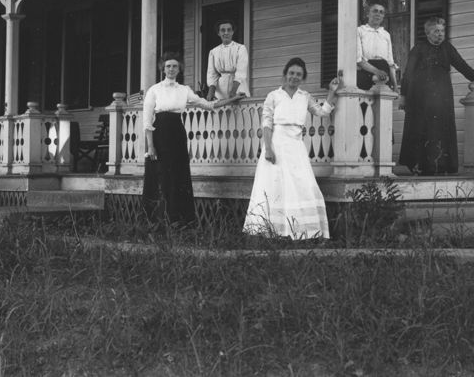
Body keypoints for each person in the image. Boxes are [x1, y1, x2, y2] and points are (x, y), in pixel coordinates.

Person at [243, 59, 341, 239]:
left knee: (301, 185)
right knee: (275, 186)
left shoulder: (305, 96)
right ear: (285, 74)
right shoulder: (274, 95)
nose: (294, 77)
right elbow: (266, 123)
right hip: (277, 143)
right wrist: (268, 149)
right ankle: (272, 230)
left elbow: (322, 112)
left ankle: (301, 230)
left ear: (302, 78)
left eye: (298, 74)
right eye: (291, 73)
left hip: (296, 145)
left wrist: (331, 92)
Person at [142, 53, 235, 226]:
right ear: (163, 68)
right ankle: (157, 220)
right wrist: (150, 146)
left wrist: (231, 100)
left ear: (179, 69)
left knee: (178, 174)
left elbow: (206, 104)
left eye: (175, 66)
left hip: (177, 133)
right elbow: (147, 121)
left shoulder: (184, 90)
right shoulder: (154, 89)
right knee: (161, 174)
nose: (171, 69)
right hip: (160, 134)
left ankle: (179, 219)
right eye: (168, 66)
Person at [396, 17, 474, 176]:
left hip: (442, 96)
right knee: (422, 129)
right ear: (428, 33)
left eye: (442, 31)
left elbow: (461, 64)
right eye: (436, 31)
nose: (440, 34)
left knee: (441, 128)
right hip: (420, 97)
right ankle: (420, 166)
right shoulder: (418, 49)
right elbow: (408, 74)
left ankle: (442, 165)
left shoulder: (447, 48)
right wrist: (403, 96)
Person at [356, 2, 397, 90]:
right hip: (365, 71)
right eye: (375, 11)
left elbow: (390, 62)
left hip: (384, 72)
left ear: (383, 17)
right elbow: (358, 59)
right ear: (368, 14)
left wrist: (395, 86)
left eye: (381, 12)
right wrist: (376, 71)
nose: (378, 14)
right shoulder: (360, 31)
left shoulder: (386, 34)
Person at [205, 19, 250, 100]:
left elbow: (241, 72)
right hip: (221, 91)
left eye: (229, 30)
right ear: (218, 33)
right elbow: (212, 74)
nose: (226, 33)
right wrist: (210, 93)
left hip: (238, 88)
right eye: (223, 30)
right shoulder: (213, 52)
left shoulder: (240, 48)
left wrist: (233, 92)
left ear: (232, 32)